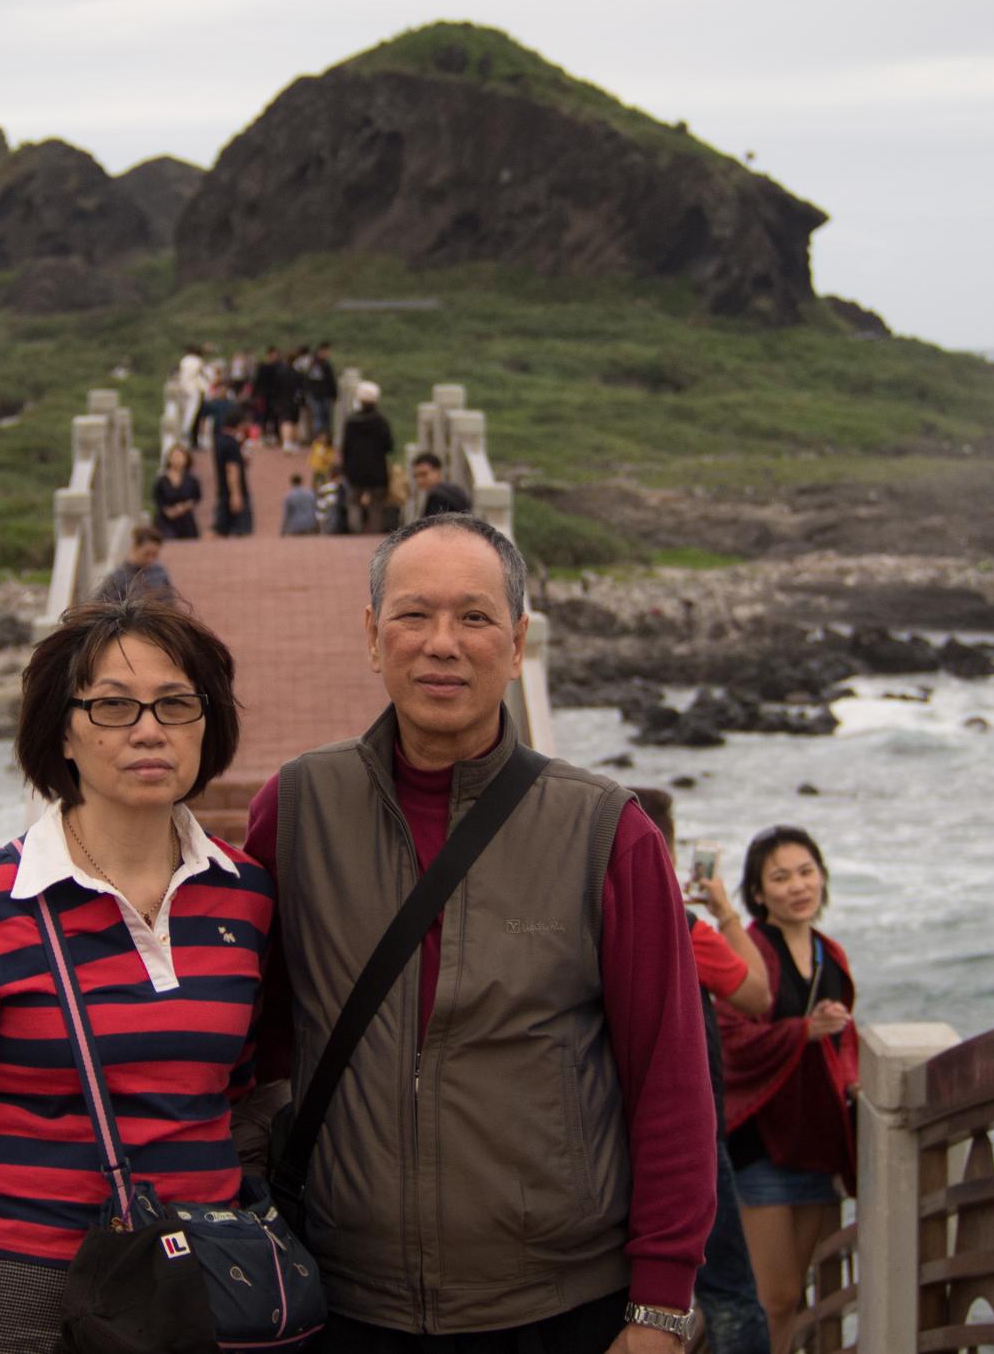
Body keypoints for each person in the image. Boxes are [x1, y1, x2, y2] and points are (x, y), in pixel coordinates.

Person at [241, 512, 715, 1353]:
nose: (442, 643)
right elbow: (260, 1040)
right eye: (413, 614)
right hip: (348, 1302)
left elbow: (669, 1079)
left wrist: (661, 1308)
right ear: (372, 635)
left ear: (518, 640)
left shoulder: (605, 831)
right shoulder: (299, 809)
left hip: (561, 1305)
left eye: (474, 616)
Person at [0, 597, 270, 1354]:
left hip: (203, 1282)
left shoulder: (246, 895)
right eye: (113, 706)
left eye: (175, 703)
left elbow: (235, 1089)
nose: (149, 730)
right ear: (62, 731)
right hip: (30, 1290)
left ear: (207, 723)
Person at [630, 789, 773, 1354]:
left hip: (609, 1130)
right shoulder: (684, 926)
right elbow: (757, 995)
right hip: (689, 1132)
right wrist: (725, 911)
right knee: (729, 1293)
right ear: (664, 848)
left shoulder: (585, 914)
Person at [717, 825, 859, 1351]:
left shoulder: (829, 953)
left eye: (806, 872)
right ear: (758, 892)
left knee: (794, 1297)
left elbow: (842, 1046)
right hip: (760, 1144)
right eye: (780, 878)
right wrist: (803, 1030)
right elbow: (730, 1040)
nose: (798, 886)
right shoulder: (751, 950)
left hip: (815, 1143)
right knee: (771, 1298)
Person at [339, 380, 394, 534]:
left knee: (353, 502)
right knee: (376, 504)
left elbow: (345, 447)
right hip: (377, 468)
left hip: (354, 468)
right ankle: (375, 533)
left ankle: (355, 530)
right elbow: (389, 446)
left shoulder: (351, 422)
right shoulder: (381, 421)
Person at [92, 525, 175, 602]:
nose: (151, 559)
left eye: (155, 555)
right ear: (134, 547)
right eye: (147, 554)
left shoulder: (159, 571)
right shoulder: (118, 577)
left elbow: (169, 601)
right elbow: (99, 604)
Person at [212, 407, 253, 536]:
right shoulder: (231, 444)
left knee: (222, 531)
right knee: (241, 532)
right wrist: (236, 494)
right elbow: (232, 469)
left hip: (223, 491)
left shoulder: (219, 440)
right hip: (234, 492)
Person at [152, 443, 201, 539]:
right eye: (175, 456)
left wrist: (184, 507)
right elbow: (157, 498)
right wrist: (168, 511)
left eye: (180, 456)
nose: (178, 459)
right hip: (166, 519)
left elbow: (196, 496)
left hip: (185, 519)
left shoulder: (191, 479)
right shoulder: (162, 480)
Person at [410, 452, 472, 518]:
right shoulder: (455, 490)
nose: (419, 480)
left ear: (438, 472)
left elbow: (435, 522)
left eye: (423, 474)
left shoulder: (437, 496)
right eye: (416, 476)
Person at [304, 341, 338, 441]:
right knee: (320, 418)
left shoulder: (314, 364)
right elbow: (331, 381)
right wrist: (334, 395)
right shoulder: (320, 364)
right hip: (320, 396)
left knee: (322, 418)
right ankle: (321, 440)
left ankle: (323, 440)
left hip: (319, 395)